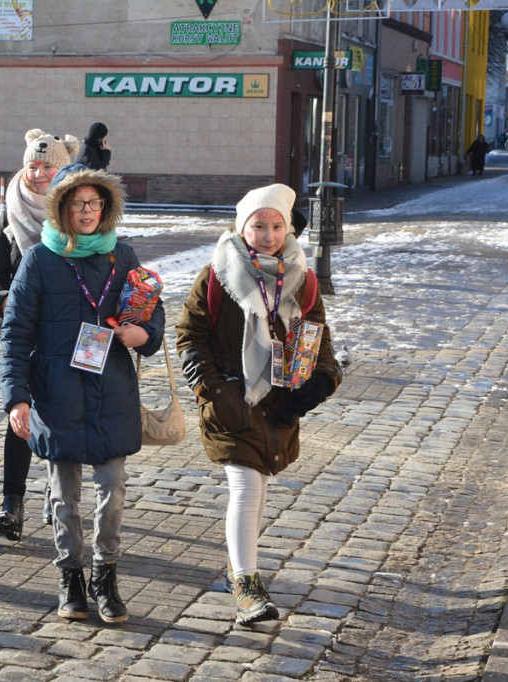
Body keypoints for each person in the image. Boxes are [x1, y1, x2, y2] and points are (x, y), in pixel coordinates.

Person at [0, 163, 165, 623]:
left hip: (112, 391)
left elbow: (153, 312)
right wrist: (17, 398)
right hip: (57, 393)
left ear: (106, 207)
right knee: (63, 495)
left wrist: (145, 335)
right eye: (77, 203)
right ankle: (70, 575)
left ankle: (105, 573)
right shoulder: (39, 259)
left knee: (113, 487)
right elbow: (15, 334)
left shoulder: (123, 256)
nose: (86, 211)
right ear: (62, 209)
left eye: (93, 202)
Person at [175, 183, 341, 626]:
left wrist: (324, 379)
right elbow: (190, 335)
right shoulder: (217, 274)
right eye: (258, 225)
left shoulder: (301, 278)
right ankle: (246, 586)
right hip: (232, 399)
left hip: (279, 401)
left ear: (287, 229)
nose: (267, 235)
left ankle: (239, 566)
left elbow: (317, 332)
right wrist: (214, 388)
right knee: (246, 487)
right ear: (241, 226)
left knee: (259, 486)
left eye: (275, 226)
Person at [0, 128, 79, 541]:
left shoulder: (79, 213)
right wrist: (9, 302)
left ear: (64, 169)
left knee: (61, 413)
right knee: (19, 414)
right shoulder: (10, 213)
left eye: (48, 166)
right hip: (21, 332)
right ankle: (11, 503)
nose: (38, 174)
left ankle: (57, 496)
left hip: (66, 333)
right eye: (32, 166)